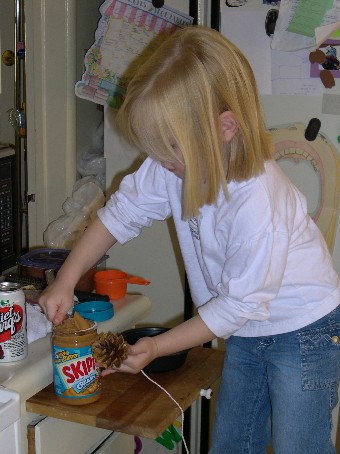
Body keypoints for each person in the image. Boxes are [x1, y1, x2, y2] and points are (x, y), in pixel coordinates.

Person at [39, 25, 340, 453]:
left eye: (171, 150)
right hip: (245, 327)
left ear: (225, 127)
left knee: (300, 446)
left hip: (304, 330)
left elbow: (238, 305)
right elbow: (120, 215)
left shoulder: (257, 201)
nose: (162, 164)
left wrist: (158, 346)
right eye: (156, 150)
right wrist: (67, 278)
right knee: (232, 443)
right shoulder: (172, 165)